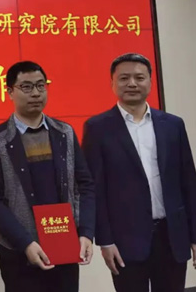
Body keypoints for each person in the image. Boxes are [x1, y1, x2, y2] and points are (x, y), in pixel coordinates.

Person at [0, 61, 95, 292]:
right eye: (27, 87)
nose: (36, 93)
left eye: (41, 85)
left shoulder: (65, 132)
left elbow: (85, 185)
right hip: (19, 253)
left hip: (64, 247)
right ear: (10, 91)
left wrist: (86, 233)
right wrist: (26, 243)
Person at [83, 53, 196, 292]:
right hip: (125, 241)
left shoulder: (173, 125)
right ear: (112, 83)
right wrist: (105, 240)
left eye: (139, 77)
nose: (132, 83)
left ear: (150, 82)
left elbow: (189, 182)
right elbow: (95, 189)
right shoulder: (97, 128)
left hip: (172, 236)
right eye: (124, 78)